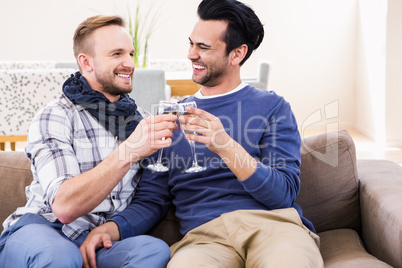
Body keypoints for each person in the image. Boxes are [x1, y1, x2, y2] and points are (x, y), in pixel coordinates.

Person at [81, 0, 324, 267]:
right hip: (203, 240)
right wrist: (110, 229)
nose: (191, 54)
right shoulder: (170, 117)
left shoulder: (273, 108)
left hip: (275, 231)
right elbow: (152, 200)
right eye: (191, 43)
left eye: (203, 47)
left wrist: (226, 146)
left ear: (237, 54)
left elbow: (283, 194)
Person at [0, 15, 177, 267]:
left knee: (153, 250)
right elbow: (64, 206)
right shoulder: (56, 116)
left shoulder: (143, 124)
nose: (129, 63)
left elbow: (152, 200)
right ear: (86, 62)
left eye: (130, 54)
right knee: (59, 256)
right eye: (116, 54)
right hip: (45, 229)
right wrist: (130, 151)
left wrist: (108, 231)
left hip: (98, 240)